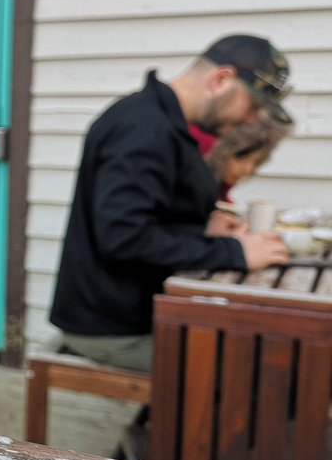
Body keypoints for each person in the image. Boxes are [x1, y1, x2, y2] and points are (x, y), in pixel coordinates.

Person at [49, 34, 292, 372]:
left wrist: (203, 228)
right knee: (255, 370)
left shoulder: (166, 122)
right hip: (113, 328)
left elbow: (147, 216)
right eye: (252, 107)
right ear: (221, 79)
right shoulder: (141, 128)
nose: (251, 120)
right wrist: (236, 253)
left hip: (142, 313)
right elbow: (124, 237)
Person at [190, 112, 292, 204]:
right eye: (242, 159)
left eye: (256, 162)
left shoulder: (221, 189)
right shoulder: (191, 191)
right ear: (222, 151)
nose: (247, 169)